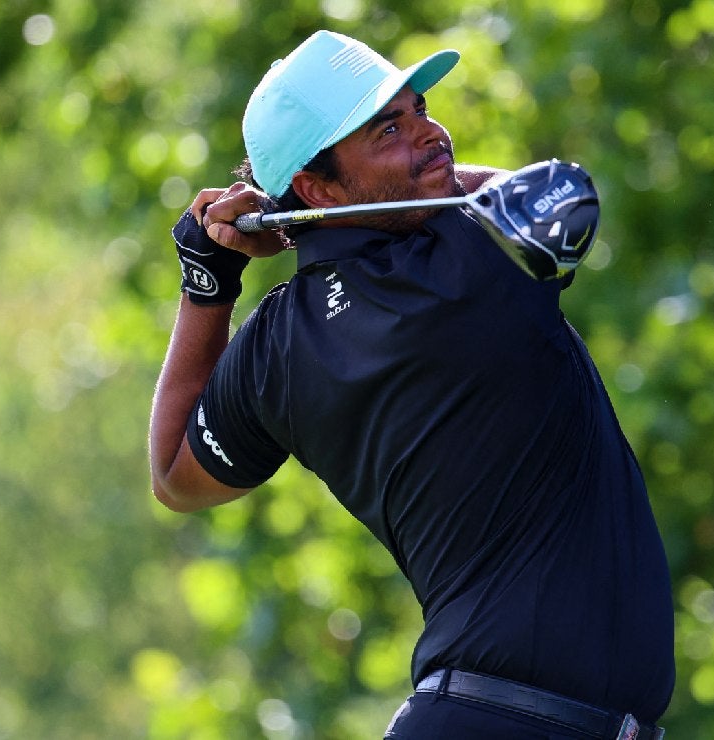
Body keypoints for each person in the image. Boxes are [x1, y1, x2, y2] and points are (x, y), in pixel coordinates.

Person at [148, 30, 674, 739]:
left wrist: (207, 284)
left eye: (420, 109)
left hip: (479, 715)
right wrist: (326, 218)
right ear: (315, 185)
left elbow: (176, 474)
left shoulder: (276, 345)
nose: (432, 136)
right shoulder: (468, 262)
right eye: (389, 129)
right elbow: (559, 189)